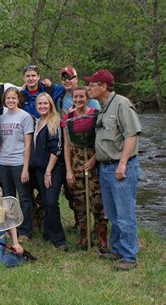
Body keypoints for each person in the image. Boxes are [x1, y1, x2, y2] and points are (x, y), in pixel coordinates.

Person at [85, 69, 141, 271]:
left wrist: (123, 163)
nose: (89, 88)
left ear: (103, 86)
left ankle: (129, 256)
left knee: (125, 214)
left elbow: (132, 134)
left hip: (121, 168)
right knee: (113, 212)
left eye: (92, 84)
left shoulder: (122, 104)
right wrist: (94, 159)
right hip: (105, 167)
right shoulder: (102, 107)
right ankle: (117, 249)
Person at [61, 86, 108, 252]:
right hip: (76, 165)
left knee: (98, 204)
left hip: (94, 165)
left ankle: (102, 238)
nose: (78, 99)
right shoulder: (68, 119)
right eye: (76, 97)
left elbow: (102, 141)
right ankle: (84, 237)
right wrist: (68, 170)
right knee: (80, 205)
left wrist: (94, 159)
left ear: (87, 97)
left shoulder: (96, 115)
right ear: (72, 99)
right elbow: (66, 145)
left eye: (82, 96)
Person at [30, 93, 67, 250]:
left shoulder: (55, 122)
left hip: (52, 169)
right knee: (45, 202)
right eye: (40, 104)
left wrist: (48, 172)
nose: (42, 106)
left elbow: (56, 149)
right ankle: (48, 233)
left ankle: (59, 240)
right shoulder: (38, 122)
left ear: (51, 105)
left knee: (52, 202)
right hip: (38, 169)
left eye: (45, 103)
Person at [0, 87, 34, 241]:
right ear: (4, 100)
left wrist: (25, 168)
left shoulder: (25, 117)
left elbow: (28, 144)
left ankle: (25, 230)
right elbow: (0, 143)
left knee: (24, 197)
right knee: (8, 197)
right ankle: (11, 227)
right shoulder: (2, 118)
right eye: (8, 98)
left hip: (19, 162)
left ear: (18, 99)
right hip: (4, 162)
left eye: (13, 98)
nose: (10, 101)